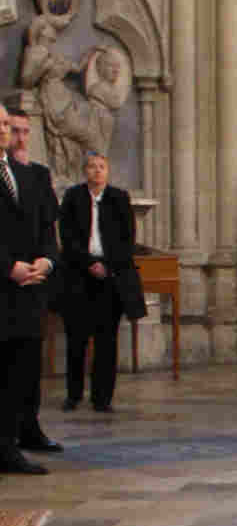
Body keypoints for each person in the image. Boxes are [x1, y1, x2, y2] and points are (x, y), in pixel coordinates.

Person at [58, 152, 145, 413]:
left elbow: (127, 240)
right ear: (84, 171)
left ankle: (102, 398)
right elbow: (67, 237)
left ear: (107, 171)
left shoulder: (119, 198)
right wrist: (89, 263)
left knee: (107, 340)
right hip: (79, 275)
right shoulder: (73, 197)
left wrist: (106, 265)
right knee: (76, 338)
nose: (97, 171)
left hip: (110, 277)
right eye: (92, 166)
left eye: (101, 166)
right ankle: (73, 395)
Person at [0, 104, 59, 475]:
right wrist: (8, 267)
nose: (4, 130)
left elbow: (47, 228)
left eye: (6, 123)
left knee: (17, 376)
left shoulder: (28, 175)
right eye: (0, 124)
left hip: (28, 292)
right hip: (3, 285)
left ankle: (9, 448)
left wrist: (47, 261)